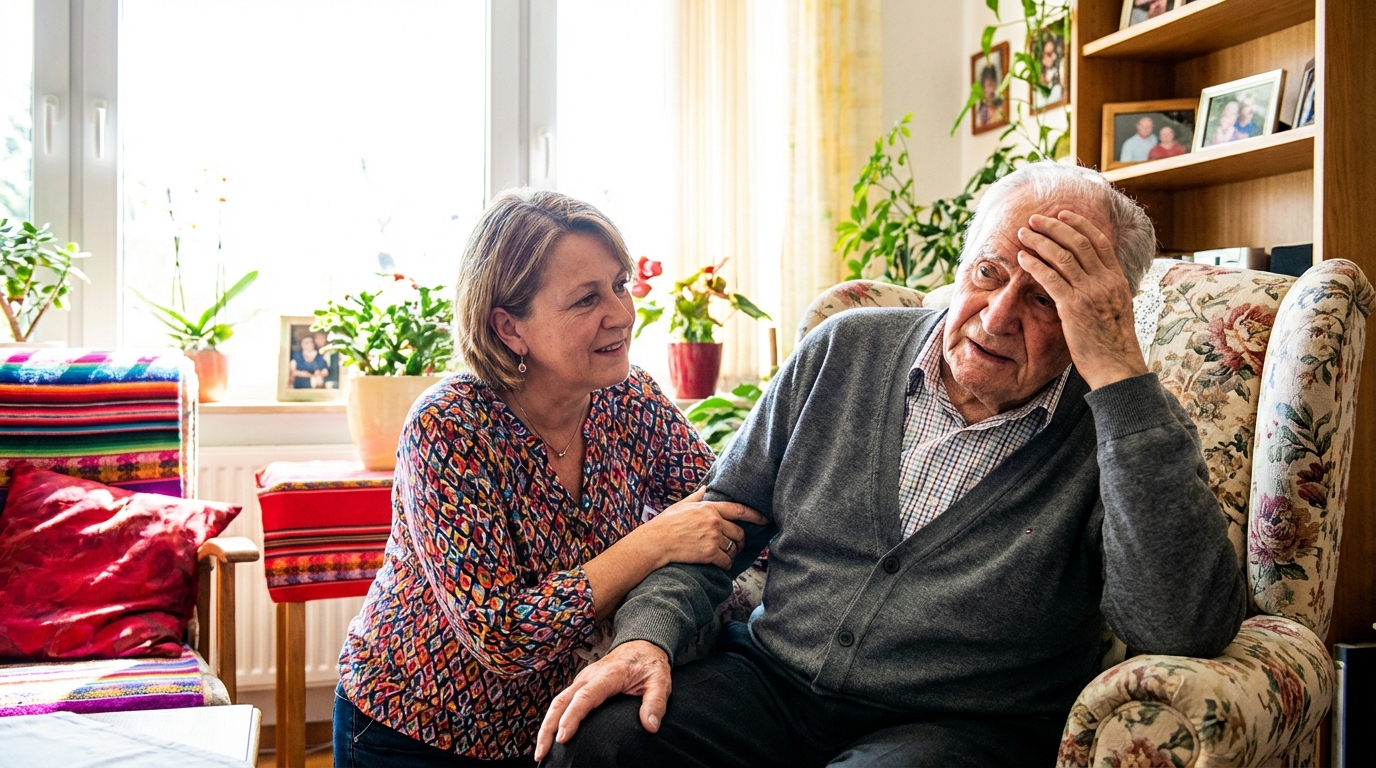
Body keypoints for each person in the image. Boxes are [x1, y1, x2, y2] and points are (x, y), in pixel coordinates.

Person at [536, 162, 1246, 767]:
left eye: (1044, 298)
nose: (996, 318)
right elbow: (716, 524)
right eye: (989, 273)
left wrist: (1119, 375)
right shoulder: (844, 351)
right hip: (771, 681)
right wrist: (646, 639)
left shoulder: (1124, 427)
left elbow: (1180, 627)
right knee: (599, 741)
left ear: (1098, 313)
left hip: (956, 728)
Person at [333, 189, 766, 766]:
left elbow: (722, 510)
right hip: (413, 729)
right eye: (586, 299)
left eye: (619, 283)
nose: (621, 312)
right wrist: (654, 540)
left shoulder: (631, 397)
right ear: (510, 327)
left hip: (554, 729)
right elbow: (501, 634)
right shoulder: (449, 426)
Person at [1035, 34, 1064, 109]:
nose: (1054, 57)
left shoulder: (1058, 73)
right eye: (1049, 54)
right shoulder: (1037, 81)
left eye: (1054, 52)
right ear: (1041, 56)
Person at [975, 64, 1004, 128]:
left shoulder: (1001, 106)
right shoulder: (981, 112)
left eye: (993, 84)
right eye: (989, 85)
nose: (991, 89)